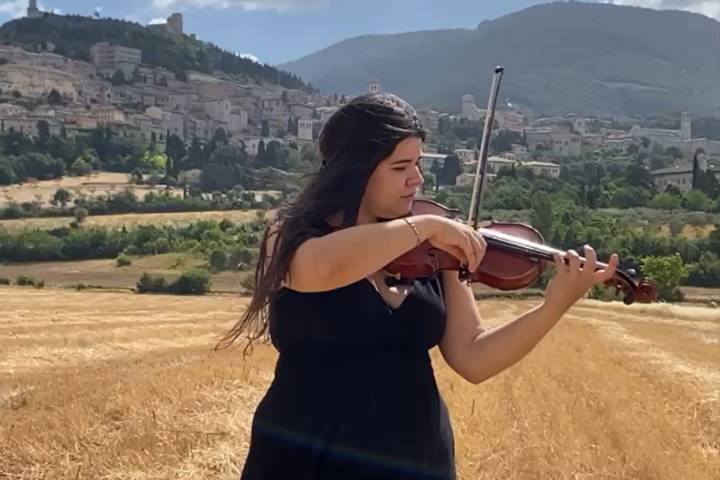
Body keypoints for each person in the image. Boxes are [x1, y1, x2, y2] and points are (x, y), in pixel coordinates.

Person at [217, 93, 619, 480]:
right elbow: (319, 269)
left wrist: (553, 306)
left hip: (415, 459)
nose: (417, 179)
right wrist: (424, 226)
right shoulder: (291, 236)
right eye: (399, 167)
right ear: (354, 169)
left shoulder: (436, 249)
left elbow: (474, 357)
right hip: (306, 460)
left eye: (418, 164)